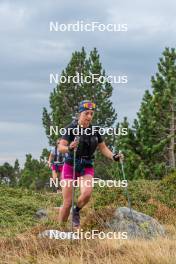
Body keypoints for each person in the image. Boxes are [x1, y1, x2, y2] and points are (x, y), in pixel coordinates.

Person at [58, 100, 123, 227]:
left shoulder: (95, 130)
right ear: (79, 114)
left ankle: (76, 211)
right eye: (86, 113)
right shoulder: (70, 128)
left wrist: (114, 156)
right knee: (67, 203)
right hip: (71, 165)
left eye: (91, 114)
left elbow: (103, 148)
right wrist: (70, 148)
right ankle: (60, 230)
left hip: (87, 165)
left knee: (87, 193)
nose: (89, 116)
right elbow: (61, 147)